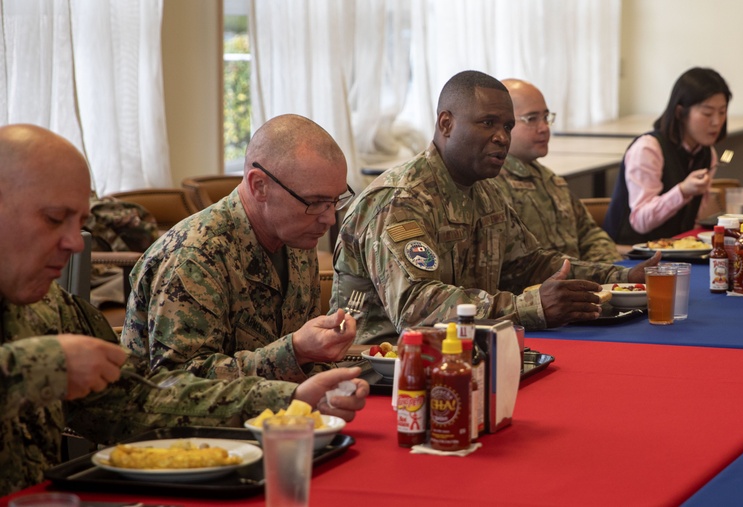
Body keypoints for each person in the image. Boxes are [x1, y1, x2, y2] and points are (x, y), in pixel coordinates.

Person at [0, 124, 368, 496]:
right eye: (52, 219)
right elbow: (177, 373)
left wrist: (290, 399)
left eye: (80, 223)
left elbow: (137, 401)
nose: (75, 244)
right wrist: (45, 364)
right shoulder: (192, 254)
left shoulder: (53, 309)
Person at [332, 71, 655, 345]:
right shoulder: (400, 200)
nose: (502, 137)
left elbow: (528, 265)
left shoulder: (484, 191)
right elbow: (416, 309)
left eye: (508, 127)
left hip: (469, 354)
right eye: (488, 123)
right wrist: (531, 306)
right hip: (383, 372)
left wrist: (623, 277)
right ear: (446, 124)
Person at [121, 114, 358, 382]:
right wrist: (294, 352)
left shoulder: (297, 238)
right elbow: (177, 383)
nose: (328, 218)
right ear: (259, 186)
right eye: (315, 202)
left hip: (280, 417)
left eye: (335, 201)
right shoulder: (194, 255)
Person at [497, 78, 621, 262]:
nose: (544, 128)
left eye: (546, 117)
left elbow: (589, 235)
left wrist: (610, 273)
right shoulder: (492, 185)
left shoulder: (549, 179)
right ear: (503, 123)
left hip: (581, 282)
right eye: (531, 119)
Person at [603, 67, 731, 244]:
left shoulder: (708, 154)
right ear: (680, 112)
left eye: (722, 112)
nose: (716, 121)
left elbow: (692, 218)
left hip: (675, 251)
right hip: (629, 253)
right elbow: (640, 221)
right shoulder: (648, 149)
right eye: (707, 113)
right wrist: (682, 191)